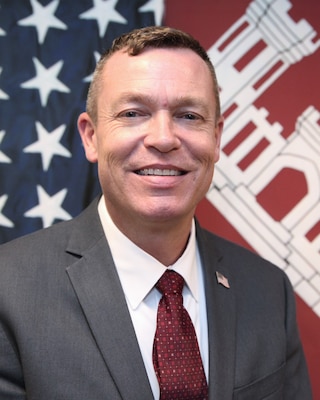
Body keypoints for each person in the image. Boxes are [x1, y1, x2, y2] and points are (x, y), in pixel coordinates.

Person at [0, 26, 311, 400]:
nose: (163, 138)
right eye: (133, 113)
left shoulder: (267, 290)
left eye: (189, 116)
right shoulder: (10, 289)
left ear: (216, 138)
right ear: (91, 137)